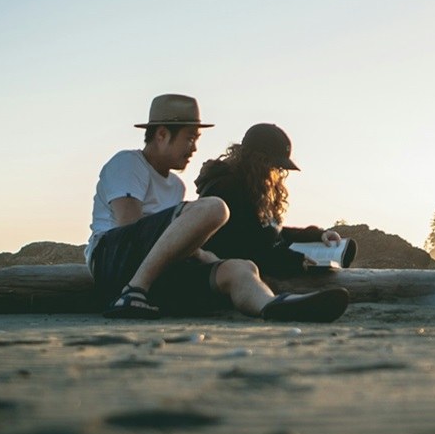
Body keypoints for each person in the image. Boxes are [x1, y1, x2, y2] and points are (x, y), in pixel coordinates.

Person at [85, 95, 349, 322]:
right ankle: (133, 293)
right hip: (113, 265)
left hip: (160, 273)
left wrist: (204, 257)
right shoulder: (128, 164)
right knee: (215, 209)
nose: (194, 148)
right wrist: (197, 253)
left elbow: (168, 239)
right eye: (189, 139)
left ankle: (273, 306)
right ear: (162, 134)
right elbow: (129, 229)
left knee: (240, 267)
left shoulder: (176, 185)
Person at [194, 123, 356, 277]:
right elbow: (241, 249)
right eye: (275, 167)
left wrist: (316, 235)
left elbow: (268, 232)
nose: (277, 173)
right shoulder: (226, 189)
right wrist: (291, 261)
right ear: (257, 161)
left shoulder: (253, 187)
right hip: (229, 274)